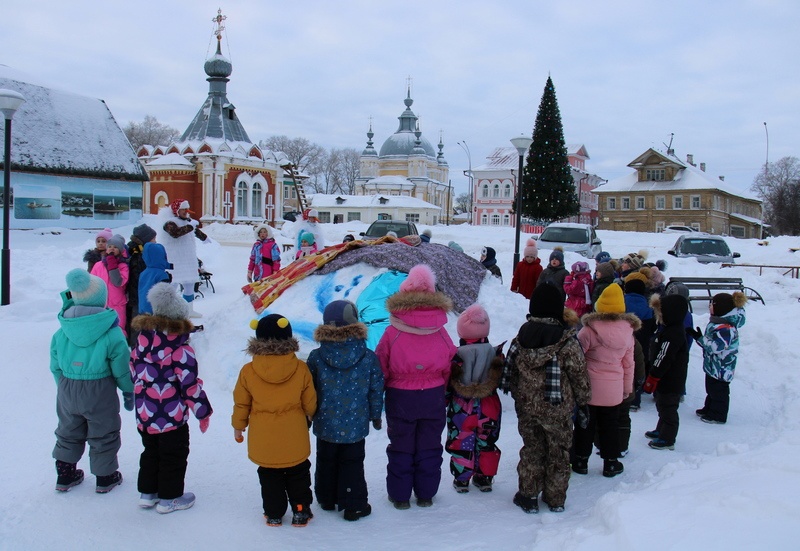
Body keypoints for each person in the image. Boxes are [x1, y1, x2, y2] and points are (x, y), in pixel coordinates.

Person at [502, 284, 590, 513]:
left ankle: (528, 495)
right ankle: (555, 499)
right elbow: (579, 375)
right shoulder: (567, 342)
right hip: (558, 409)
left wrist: (518, 395)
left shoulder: (520, 337)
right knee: (558, 453)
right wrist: (583, 401)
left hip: (528, 408)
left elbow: (511, 372)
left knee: (532, 448)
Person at [376, 264, 457, 509]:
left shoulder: (392, 332)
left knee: (401, 445)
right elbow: (449, 363)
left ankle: (400, 496)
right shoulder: (440, 331)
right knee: (430, 444)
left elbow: (381, 365)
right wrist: (441, 388)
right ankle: (425, 494)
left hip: (401, 396)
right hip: (432, 395)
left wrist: (381, 391)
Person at [130, 283, 213, 513]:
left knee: (150, 452)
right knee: (173, 455)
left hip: (145, 413)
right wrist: (203, 411)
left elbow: (133, 372)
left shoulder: (142, 342)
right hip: (171, 416)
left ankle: (148, 493)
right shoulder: (181, 350)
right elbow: (189, 385)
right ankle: (170, 498)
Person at [50, 269, 132, 493]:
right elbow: (122, 369)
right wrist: (128, 391)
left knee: (68, 430)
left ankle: (65, 475)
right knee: (103, 432)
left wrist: (63, 386)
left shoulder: (61, 332)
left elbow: (55, 365)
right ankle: (106, 477)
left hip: (68, 387)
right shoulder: (112, 333)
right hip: (100, 389)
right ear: (101, 300)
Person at [232, 314, 317, 527]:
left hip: (264, 439)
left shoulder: (248, 371)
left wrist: (238, 426)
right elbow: (310, 399)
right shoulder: (300, 368)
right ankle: (300, 510)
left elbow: (241, 403)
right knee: (298, 474)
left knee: (269, 476)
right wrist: (310, 413)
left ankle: (274, 513)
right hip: (294, 435)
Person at [306, 300, 384, 521]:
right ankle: (354, 504)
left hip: (326, 422)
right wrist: (375, 414)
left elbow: (309, 390)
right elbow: (376, 388)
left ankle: (326, 498)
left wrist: (309, 415)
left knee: (326, 460)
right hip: (355, 424)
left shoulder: (316, 357)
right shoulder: (368, 356)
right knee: (353, 462)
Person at [572, 283, 639, 478]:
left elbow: (577, 358)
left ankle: (581, 460)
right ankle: (611, 462)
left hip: (590, 387)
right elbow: (629, 364)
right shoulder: (628, 332)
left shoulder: (588, 330)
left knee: (585, 424)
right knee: (610, 425)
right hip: (614, 389)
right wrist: (627, 389)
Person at [446, 304, 504, 494]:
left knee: (461, 441)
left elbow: (447, 383)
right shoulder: (495, 352)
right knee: (486, 441)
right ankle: (484, 477)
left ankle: (462, 479)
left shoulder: (456, 355)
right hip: (489, 405)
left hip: (462, 407)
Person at [689, 291, 747, 425]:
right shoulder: (717, 323)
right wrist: (701, 338)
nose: (709, 307)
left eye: (712, 305)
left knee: (719, 392)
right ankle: (709, 408)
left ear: (721, 308)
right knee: (711, 389)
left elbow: (716, 347)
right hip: (713, 366)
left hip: (722, 368)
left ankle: (718, 415)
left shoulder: (726, 328)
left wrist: (700, 339)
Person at [642, 292, 690, 450]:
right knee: (662, 405)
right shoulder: (668, 329)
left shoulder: (673, 333)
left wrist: (654, 375)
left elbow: (664, 356)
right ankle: (661, 429)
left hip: (670, 378)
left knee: (668, 407)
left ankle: (668, 438)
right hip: (665, 377)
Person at [160, 199, 207, 318]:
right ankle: (166, 310)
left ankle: (188, 309)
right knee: (173, 283)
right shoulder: (169, 223)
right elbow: (176, 234)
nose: (186, 212)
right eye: (183, 209)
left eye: (187, 209)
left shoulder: (188, 221)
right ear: (177, 210)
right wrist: (190, 226)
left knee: (189, 283)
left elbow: (195, 231)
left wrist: (205, 238)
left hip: (188, 257)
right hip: (174, 259)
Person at [623, 271, 656, 412]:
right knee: (637, 368)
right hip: (642, 343)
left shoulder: (622, 303)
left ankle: (623, 394)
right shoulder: (648, 307)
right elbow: (652, 328)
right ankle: (636, 399)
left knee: (624, 368)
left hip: (624, 342)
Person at [90, 234, 129, 337]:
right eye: (110, 246)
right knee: (102, 329)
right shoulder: (98, 265)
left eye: (115, 247)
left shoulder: (123, 266)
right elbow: (92, 281)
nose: (112, 249)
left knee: (118, 329)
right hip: (102, 303)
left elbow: (118, 282)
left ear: (120, 250)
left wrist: (112, 263)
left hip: (117, 304)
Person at [125, 224, 157, 342]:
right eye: (153, 239)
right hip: (137, 295)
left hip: (137, 294)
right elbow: (141, 277)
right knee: (138, 322)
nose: (155, 241)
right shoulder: (140, 256)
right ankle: (136, 348)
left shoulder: (138, 253)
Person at [138, 242, 172, 315]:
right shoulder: (161, 274)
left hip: (142, 308)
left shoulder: (143, 273)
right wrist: (168, 281)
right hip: (156, 310)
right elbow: (165, 295)